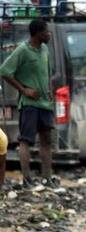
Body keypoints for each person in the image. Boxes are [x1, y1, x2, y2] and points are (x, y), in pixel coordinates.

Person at [0, 19, 55, 188]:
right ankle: (27, 179)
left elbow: (47, 72)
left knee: (46, 140)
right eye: (46, 31)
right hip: (29, 104)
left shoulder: (45, 50)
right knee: (26, 140)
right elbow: (4, 71)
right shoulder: (23, 50)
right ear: (37, 33)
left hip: (45, 104)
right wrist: (24, 90)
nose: (49, 34)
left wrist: (50, 88)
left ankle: (47, 178)